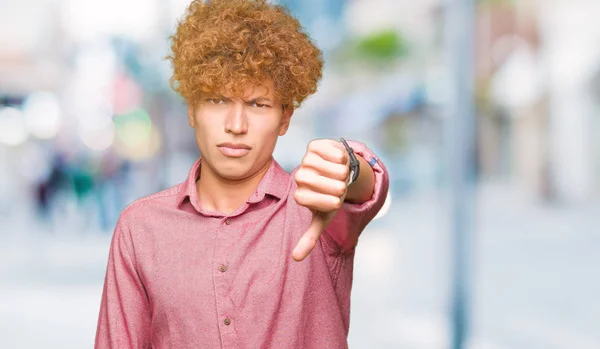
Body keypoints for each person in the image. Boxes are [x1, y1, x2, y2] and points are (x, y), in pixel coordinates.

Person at [95, 1, 389, 348]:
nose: (236, 126)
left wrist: (348, 167)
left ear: (284, 118)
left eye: (257, 104)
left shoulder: (316, 208)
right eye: (218, 101)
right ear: (192, 110)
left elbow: (364, 189)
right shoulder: (141, 228)